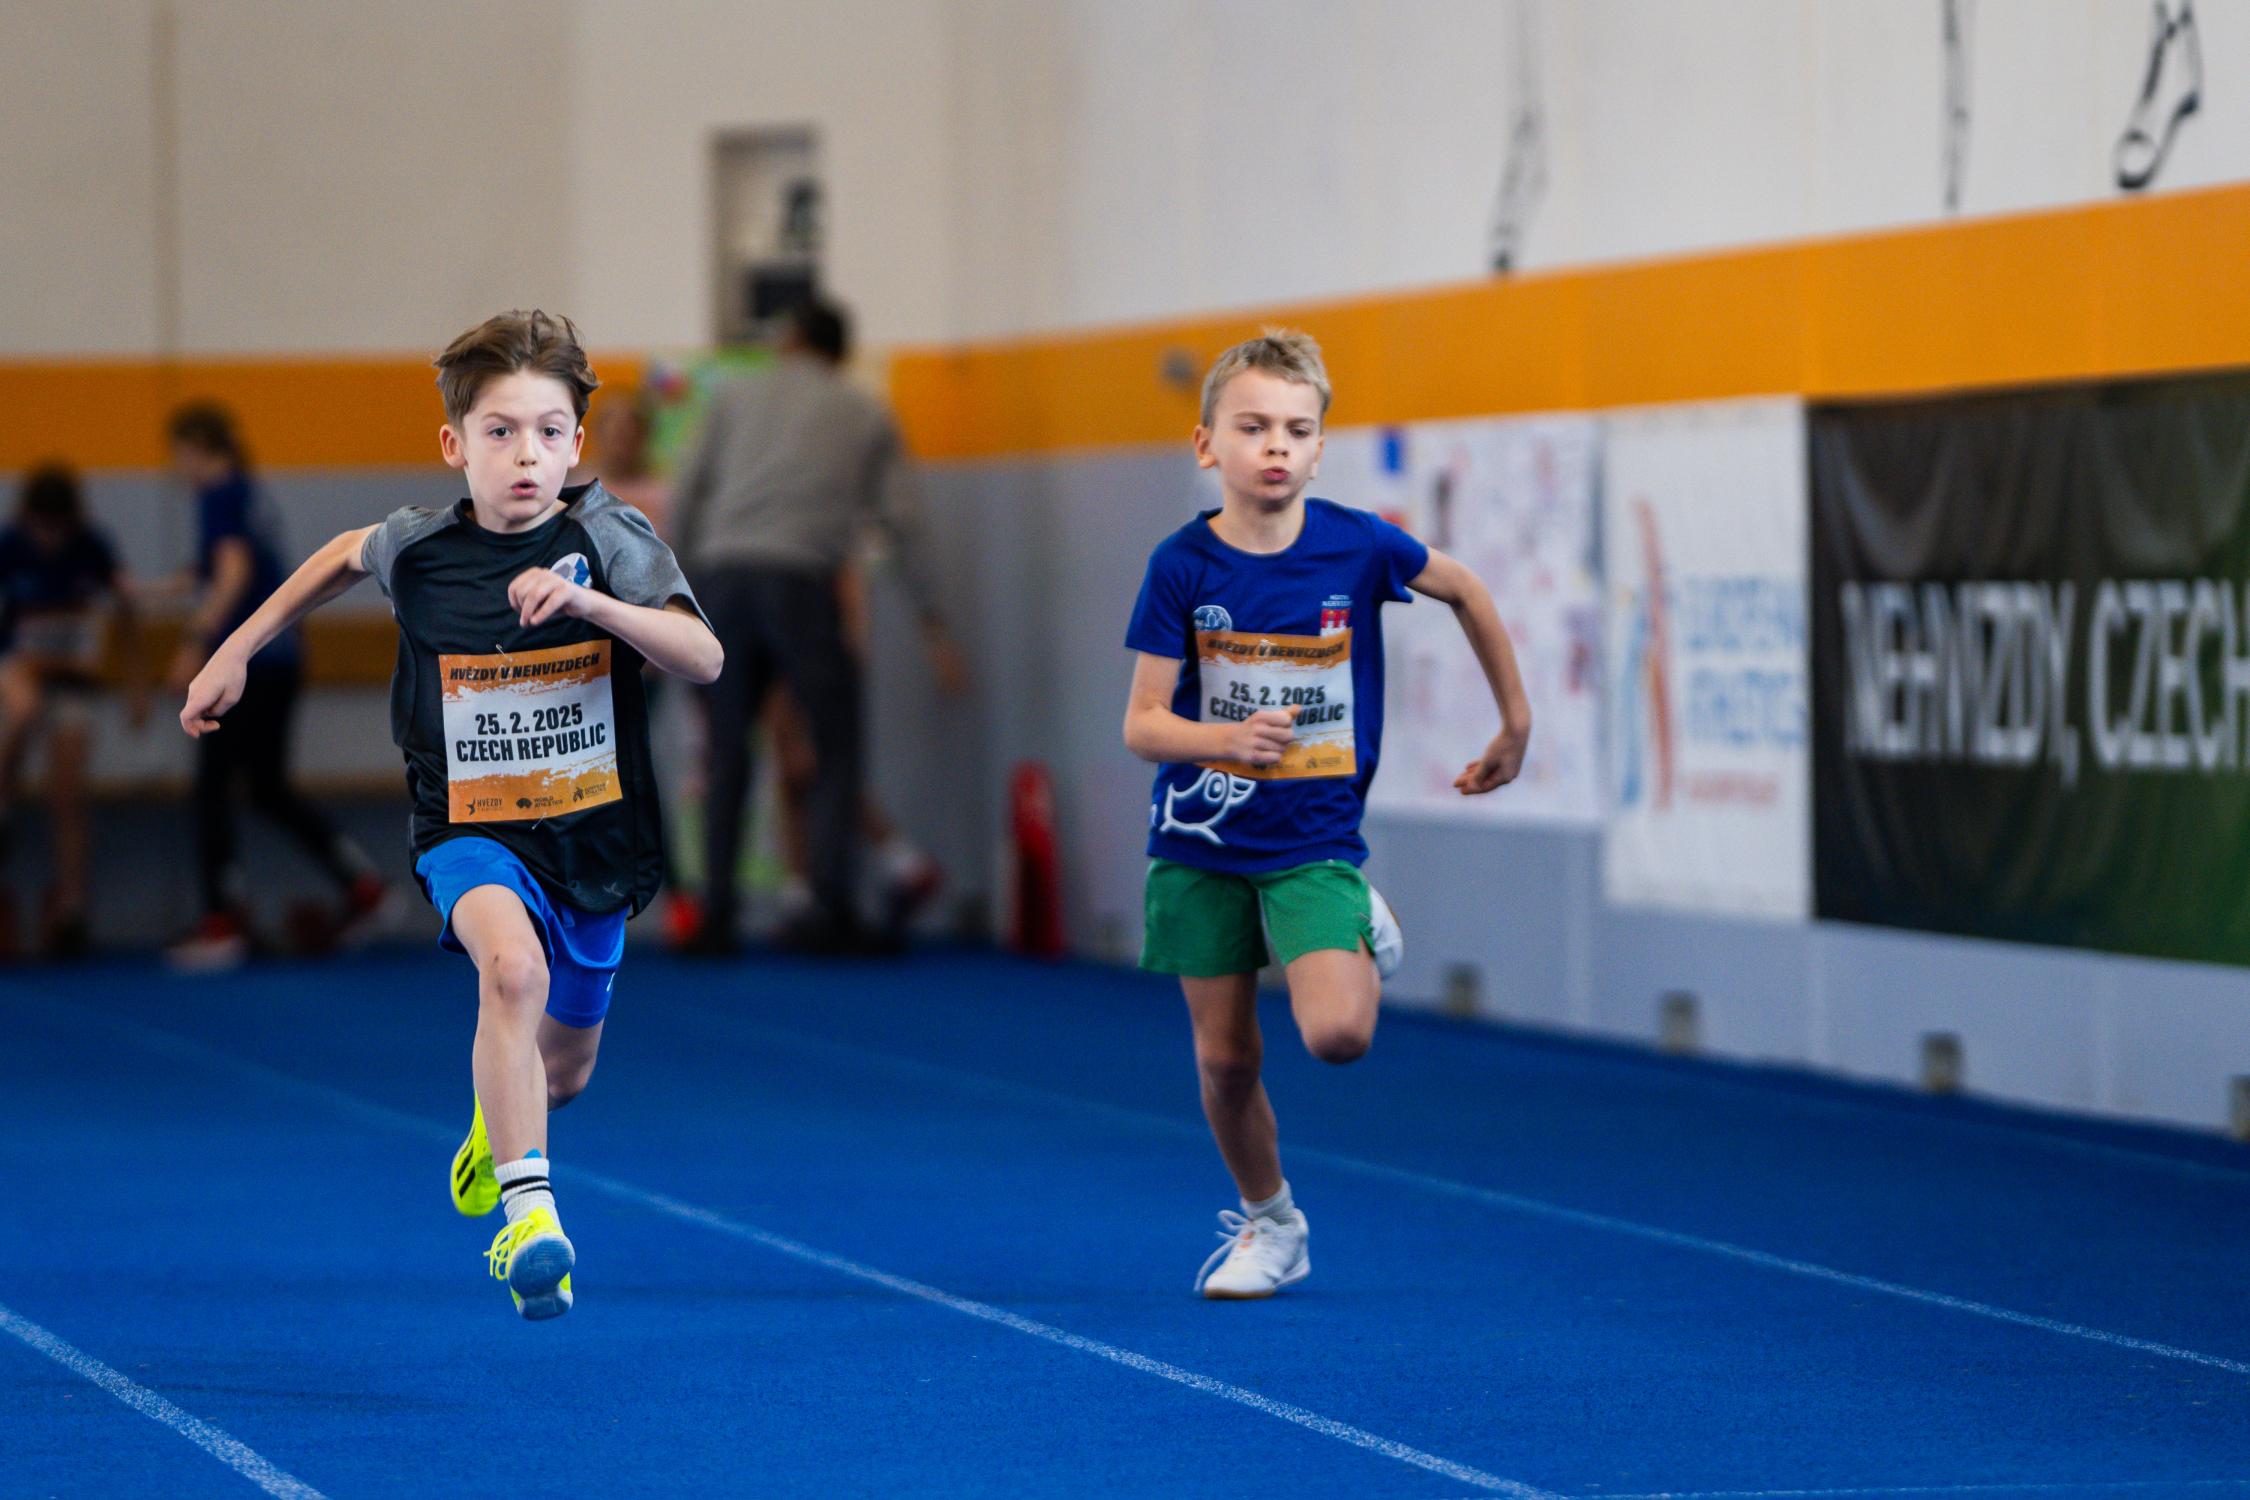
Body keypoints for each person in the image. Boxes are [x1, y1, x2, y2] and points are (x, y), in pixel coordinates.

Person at [179, 310, 722, 1320]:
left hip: (593, 839)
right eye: (501, 432)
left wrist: (594, 608)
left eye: (550, 432)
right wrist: (235, 650)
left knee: (566, 1074)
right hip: (469, 830)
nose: (527, 455)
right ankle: (529, 1219)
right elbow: (341, 555)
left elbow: (705, 657)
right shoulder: (422, 547)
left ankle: (496, 1124)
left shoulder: (609, 537)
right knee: (511, 972)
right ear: (454, 444)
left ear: (577, 443)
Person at [1121, 330, 1532, 1299]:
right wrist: (1224, 740)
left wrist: (1515, 723)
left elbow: (1466, 589)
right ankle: (1273, 1223)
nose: (1276, 446)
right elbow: (1142, 724)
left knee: (1339, 1036)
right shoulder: (1181, 565)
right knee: (1226, 1060)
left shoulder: (1359, 544)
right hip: (1202, 840)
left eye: (1297, 431)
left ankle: (1353, 910)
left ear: (1317, 449)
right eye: (1253, 427)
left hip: (1309, 838)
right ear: (1206, 444)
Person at [671, 294, 966, 953]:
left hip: (720, 579)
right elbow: (904, 522)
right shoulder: (863, 410)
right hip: (801, 582)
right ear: (840, 353)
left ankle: (716, 917)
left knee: (726, 749)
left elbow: (688, 493)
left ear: (791, 340)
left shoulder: (730, 396)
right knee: (834, 745)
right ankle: (829, 908)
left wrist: (667, 597)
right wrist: (933, 620)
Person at [165, 402, 389, 967]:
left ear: (197, 450)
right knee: (266, 786)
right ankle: (360, 880)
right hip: (282, 657)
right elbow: (226, 569)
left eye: (180, 456)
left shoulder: (220, 494)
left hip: (251, 666)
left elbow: (234, 573)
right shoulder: (248, 492)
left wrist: (196, 643)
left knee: (214, 787)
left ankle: (222, 919)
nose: (178, 469)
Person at [0, 464, 146, 957]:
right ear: (28, 519)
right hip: (19, 668)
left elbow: (126, 610)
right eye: (43, 528)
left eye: (58, 528)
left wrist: (136, 684)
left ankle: (71, 906)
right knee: (24, 709)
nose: (51, 538)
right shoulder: (10, 545)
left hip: (72, 679)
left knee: (68, 794)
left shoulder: (92, 546)